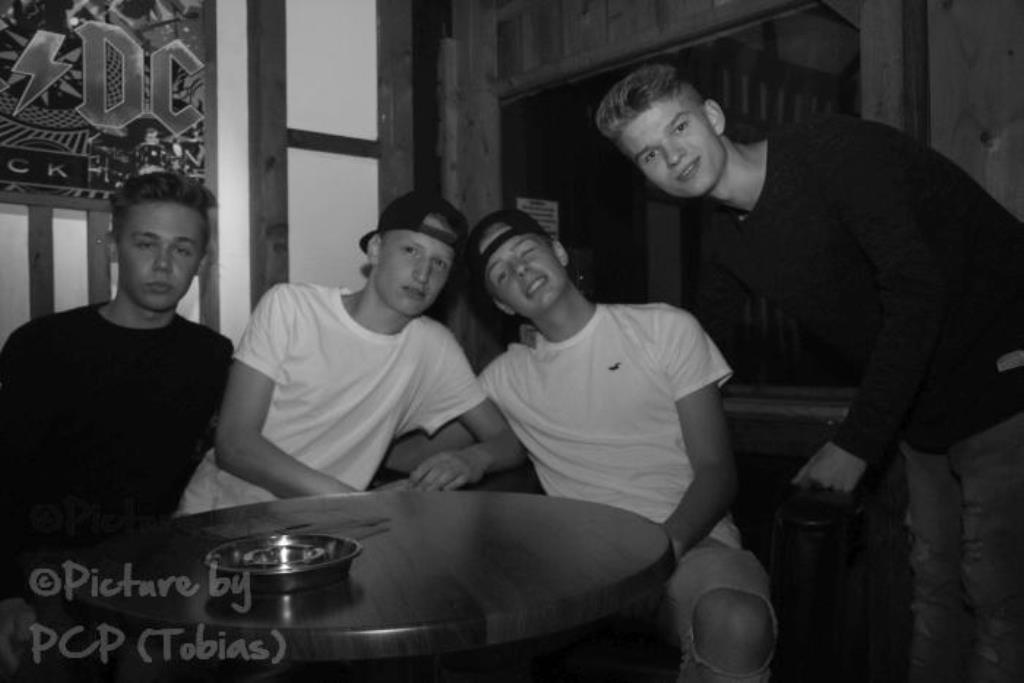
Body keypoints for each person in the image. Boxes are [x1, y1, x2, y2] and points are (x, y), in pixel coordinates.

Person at [595, 62, 1024, 683]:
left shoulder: (833, 152)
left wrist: (856, 443)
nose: (673, 156)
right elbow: (699, 347)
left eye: (679, 128)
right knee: (934, 592)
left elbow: (916, 292)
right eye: (649, 154)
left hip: (1007, 369)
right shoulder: (725, 241)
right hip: (926, 410)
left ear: (713, 116)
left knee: (1002, 602)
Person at [465, 209, 775, 682]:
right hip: (578, 568)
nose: (520, 269)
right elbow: (438, 441)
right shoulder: (505, 378)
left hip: (687, 542)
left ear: (559, 253)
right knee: (468, 637)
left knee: (739, 622)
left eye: (526, 251)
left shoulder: (664, 328)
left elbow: (716, 470)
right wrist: (475, 454)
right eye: (501, 273)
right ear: (502, 305)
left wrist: (663, 550)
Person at [0, 172, 233, 680]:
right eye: (146, 243)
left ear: (201, 261)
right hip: (48, 560)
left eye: (182, 249)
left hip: (158, 560)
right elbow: (4, 475)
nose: (164, 264)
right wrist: (6, 593)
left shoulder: (211, 356)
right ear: (113, 247)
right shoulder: (42, 346)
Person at [178, 191, 522, 514]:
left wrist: (470, 460)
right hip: (221, 514)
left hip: (325, 528)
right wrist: (356, 502)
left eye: (440, 264)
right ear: (376, 249)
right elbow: (235, 445)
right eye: (411, 251)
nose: (423, 274)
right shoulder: (292, 307)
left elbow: (509, 442)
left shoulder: (434, 346)